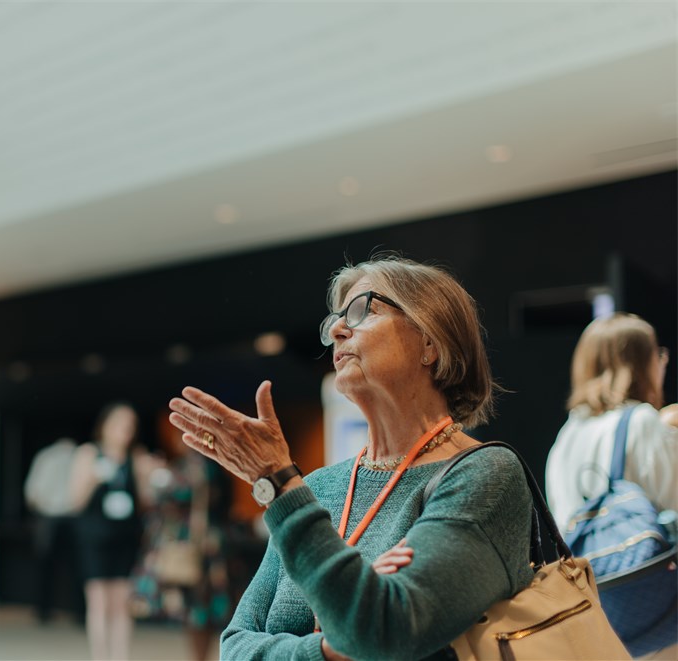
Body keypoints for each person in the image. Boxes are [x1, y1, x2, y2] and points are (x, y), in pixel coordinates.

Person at [168, 255, 536, 660]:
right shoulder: (317, 487)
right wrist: (332, 646)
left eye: (363, 310)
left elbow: (385, 630)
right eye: (336, 319)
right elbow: (235, 646)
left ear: (431, 342)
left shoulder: (484, 475)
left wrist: (277, 480)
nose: (337, 330)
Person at [546, 313, 677, 532]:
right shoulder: (641, 421)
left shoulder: (568, 433)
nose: (662, 364)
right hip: (640, 553)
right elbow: (673, 505)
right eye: (658, 355)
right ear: (642, 365)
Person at [131, 429, 234, 661]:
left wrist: (156, 475)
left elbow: (178, 493)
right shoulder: (199, 466)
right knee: (197, 610)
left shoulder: (199, 467)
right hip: (199, 541)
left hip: (198, 543)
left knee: (200, 608)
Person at [69, 402, 160, 661]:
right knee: (98, 600)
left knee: (122, 602)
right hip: (94, 537)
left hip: (125, 536)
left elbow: (145, 502)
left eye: (130, 425)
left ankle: (120, 656)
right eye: (120, 423)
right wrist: (94, 478)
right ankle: (100, 656)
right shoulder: (89, 453)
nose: (125, 430)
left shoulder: (135, 457)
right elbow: (75, 501)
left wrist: (149, 477)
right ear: (105, 426)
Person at [24, 437, 83, 623]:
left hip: (49, 517)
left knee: (46, 567)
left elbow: (32, 492)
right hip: (73, 517)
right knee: (76, 567)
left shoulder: (45, 456)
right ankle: (79, 613)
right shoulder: (80, 457)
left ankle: (44, 610)